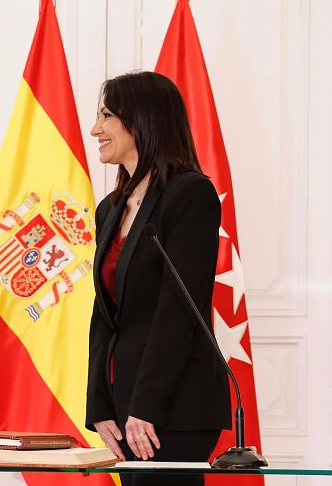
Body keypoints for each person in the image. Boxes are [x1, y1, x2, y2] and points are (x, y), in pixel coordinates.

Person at [84, 71, 230, 485]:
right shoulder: (110, 208)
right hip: (125, 402)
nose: (96, 129)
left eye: (106, 116)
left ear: (142, 120)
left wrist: (145, 406)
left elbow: (177, 311)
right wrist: (100, 407)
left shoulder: (190, 194)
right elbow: (104, 313)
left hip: (174, 404)